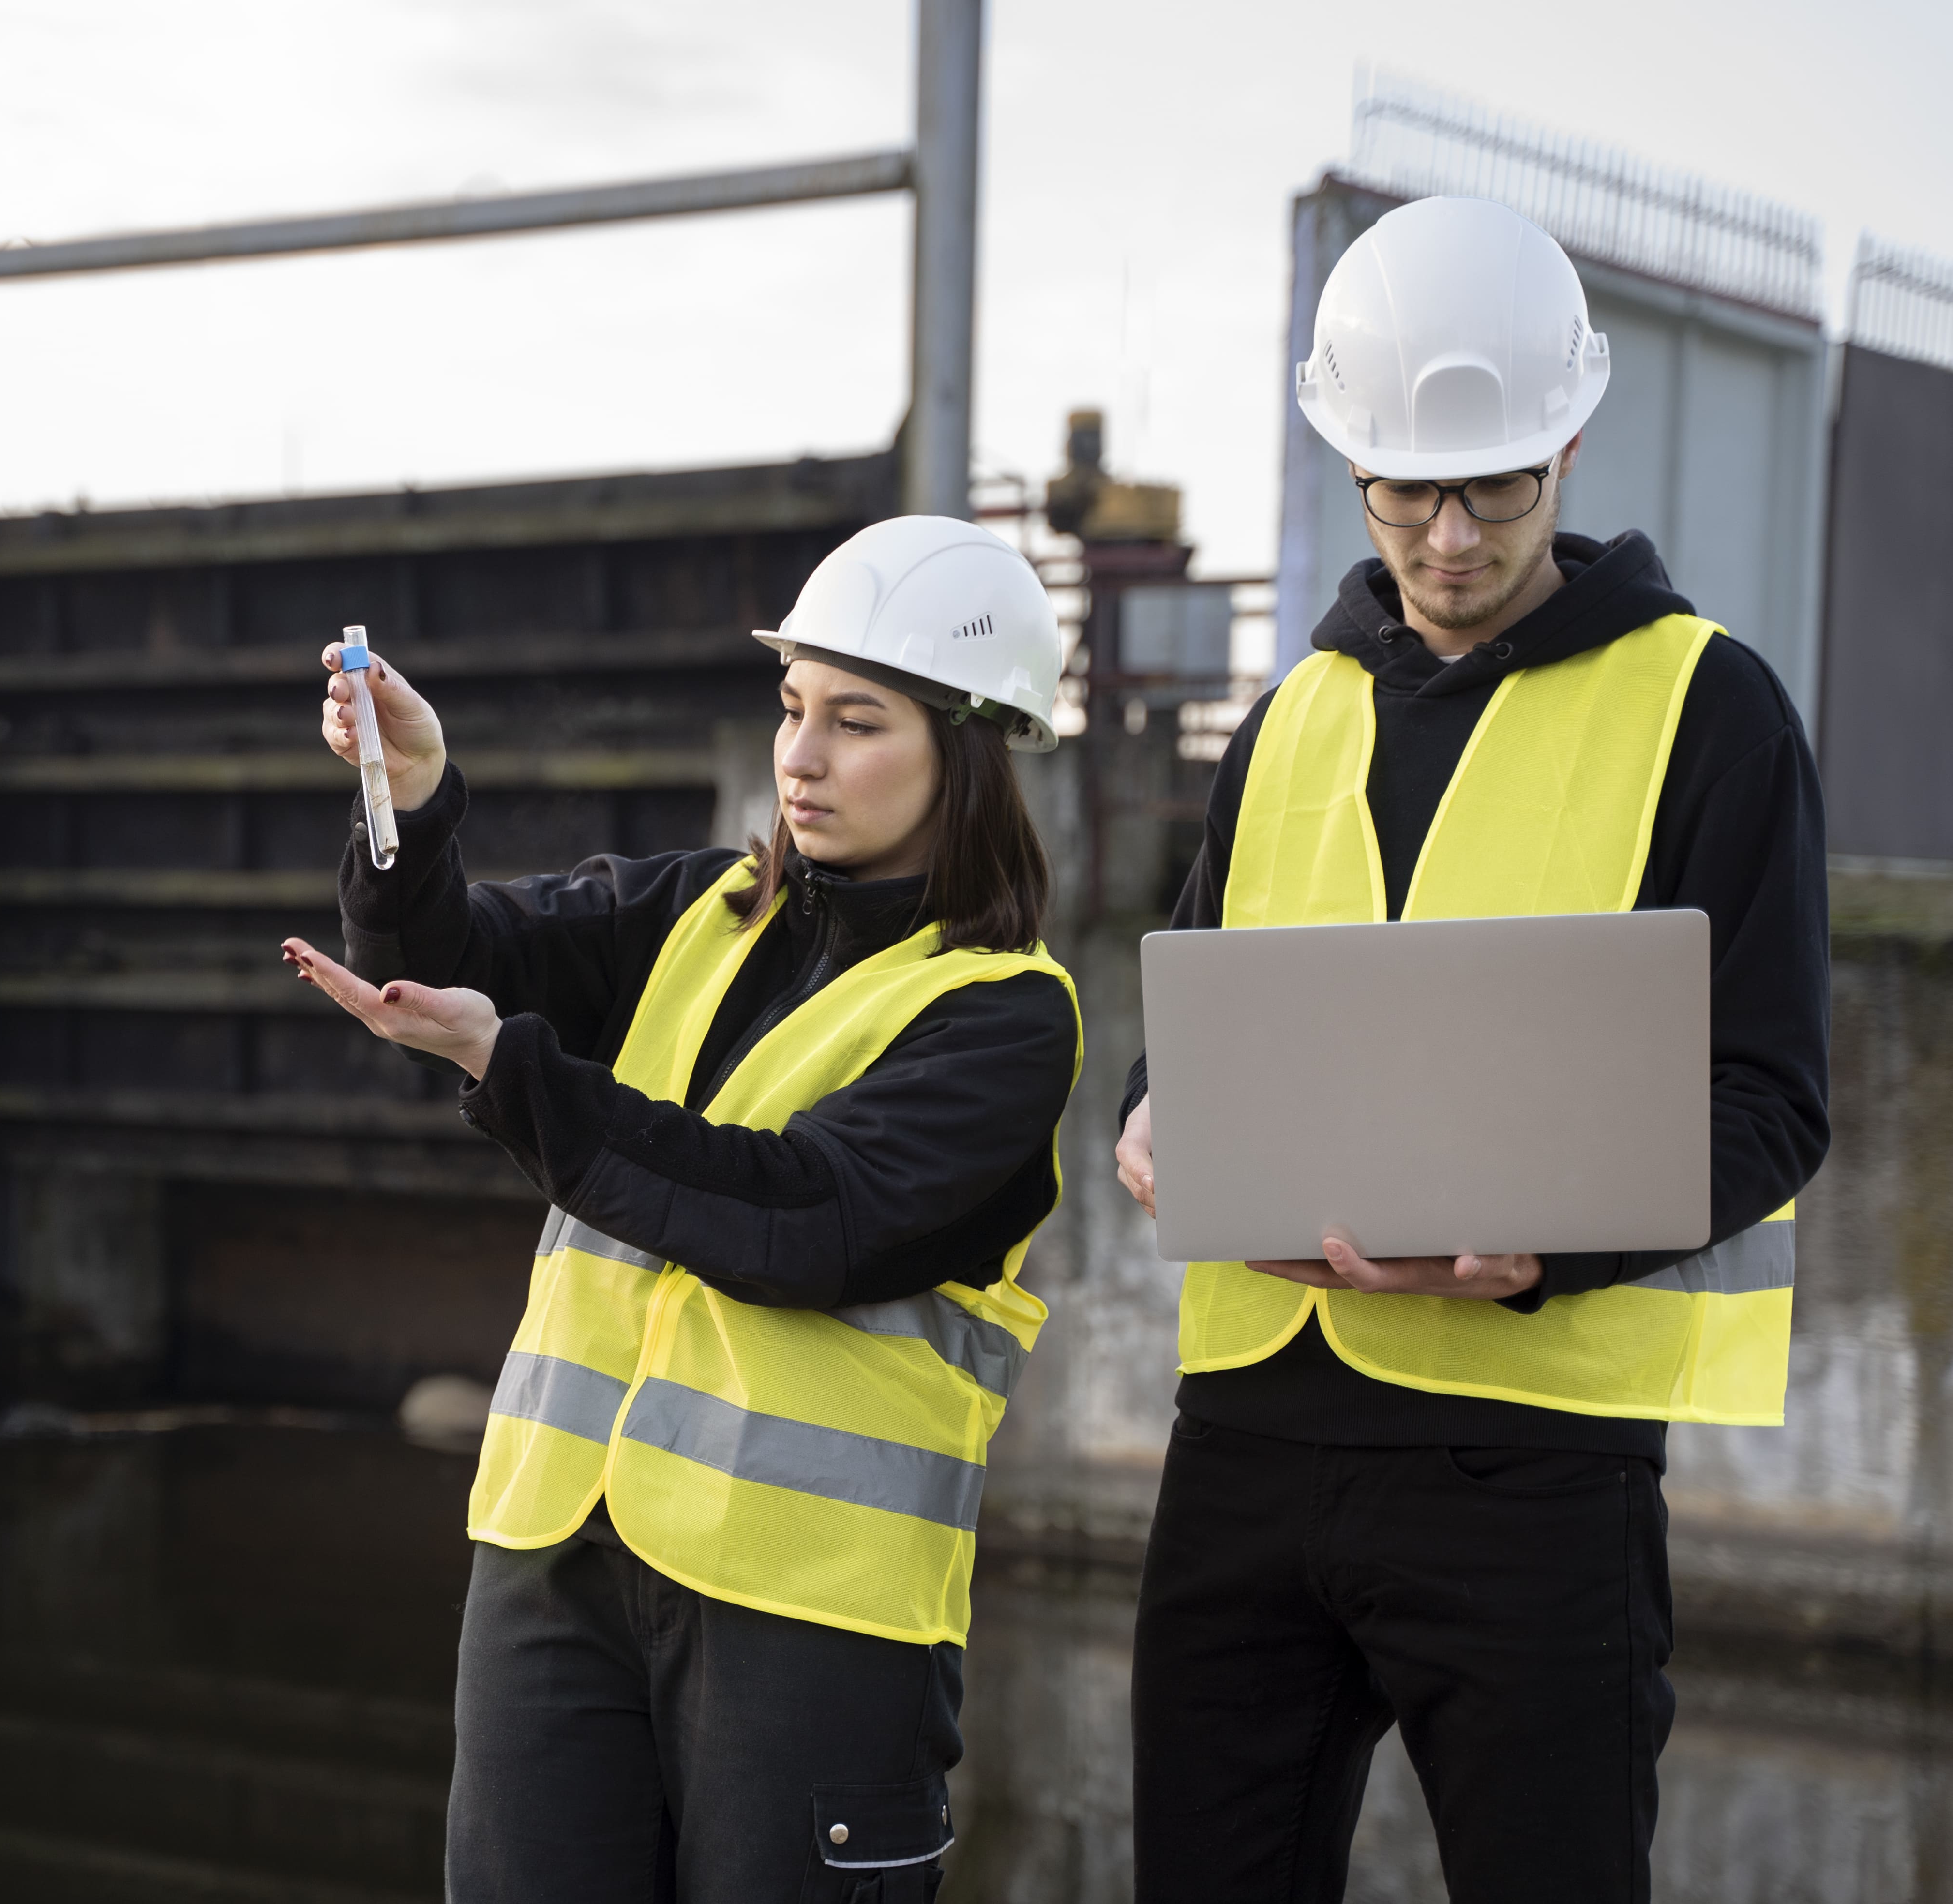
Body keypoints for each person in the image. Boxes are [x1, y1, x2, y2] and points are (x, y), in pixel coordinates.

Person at [1114, 196, 1830, 1903]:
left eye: (1494, 484)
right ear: (1348, 465)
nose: (1446, 534)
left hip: (1535, 1474)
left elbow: (1777, 1101)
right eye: (1404, 488)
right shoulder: (1286, 718)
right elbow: (1198, 1019)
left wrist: (1548, 1244)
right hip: (1251, 1446)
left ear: (1569, 444)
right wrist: (1155, 1120)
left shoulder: (1709, 708)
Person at [280, 515, 1083, 1903]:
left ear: (971, 745)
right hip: (555, 1558)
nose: (803, 757)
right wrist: (406, 804)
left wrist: (507, 1066)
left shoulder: (1004, 1018)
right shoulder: (693, 913)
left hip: (810, 1617)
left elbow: (802, 1222)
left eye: (858, 720)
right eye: (790, 710)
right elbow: (448, 957)